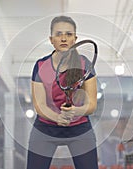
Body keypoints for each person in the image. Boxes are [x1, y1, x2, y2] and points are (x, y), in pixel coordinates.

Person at [26, 15, 99, 169]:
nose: (64, 38)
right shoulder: (40, 65)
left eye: (69, 34)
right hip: (45, 127)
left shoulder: (85, 64)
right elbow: (39, 105)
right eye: (59, 34)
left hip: (79, 127)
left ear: (75, 38)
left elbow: (91, 105)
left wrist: (76, 111)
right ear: (51, 39)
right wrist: (58, 118)